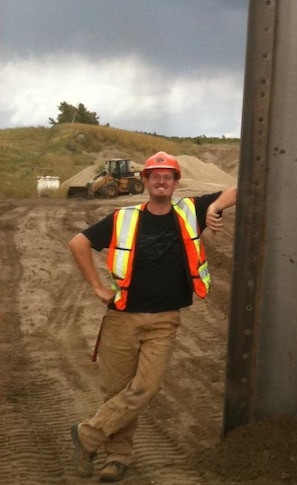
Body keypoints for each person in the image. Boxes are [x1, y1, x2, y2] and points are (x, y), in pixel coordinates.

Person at [67, 151, 237, 481]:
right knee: (117, 392)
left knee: (144, 388)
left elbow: (240, 189)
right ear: (144, 181)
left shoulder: (191, 211)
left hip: (163, 320)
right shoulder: (123, 218)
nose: (161, 180)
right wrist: (97, 287)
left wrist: (215, 207)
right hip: (121, 319)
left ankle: (86, 435)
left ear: (176, 183)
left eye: (168, 176)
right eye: (154, 175)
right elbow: (78, 243)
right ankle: (117, 457)